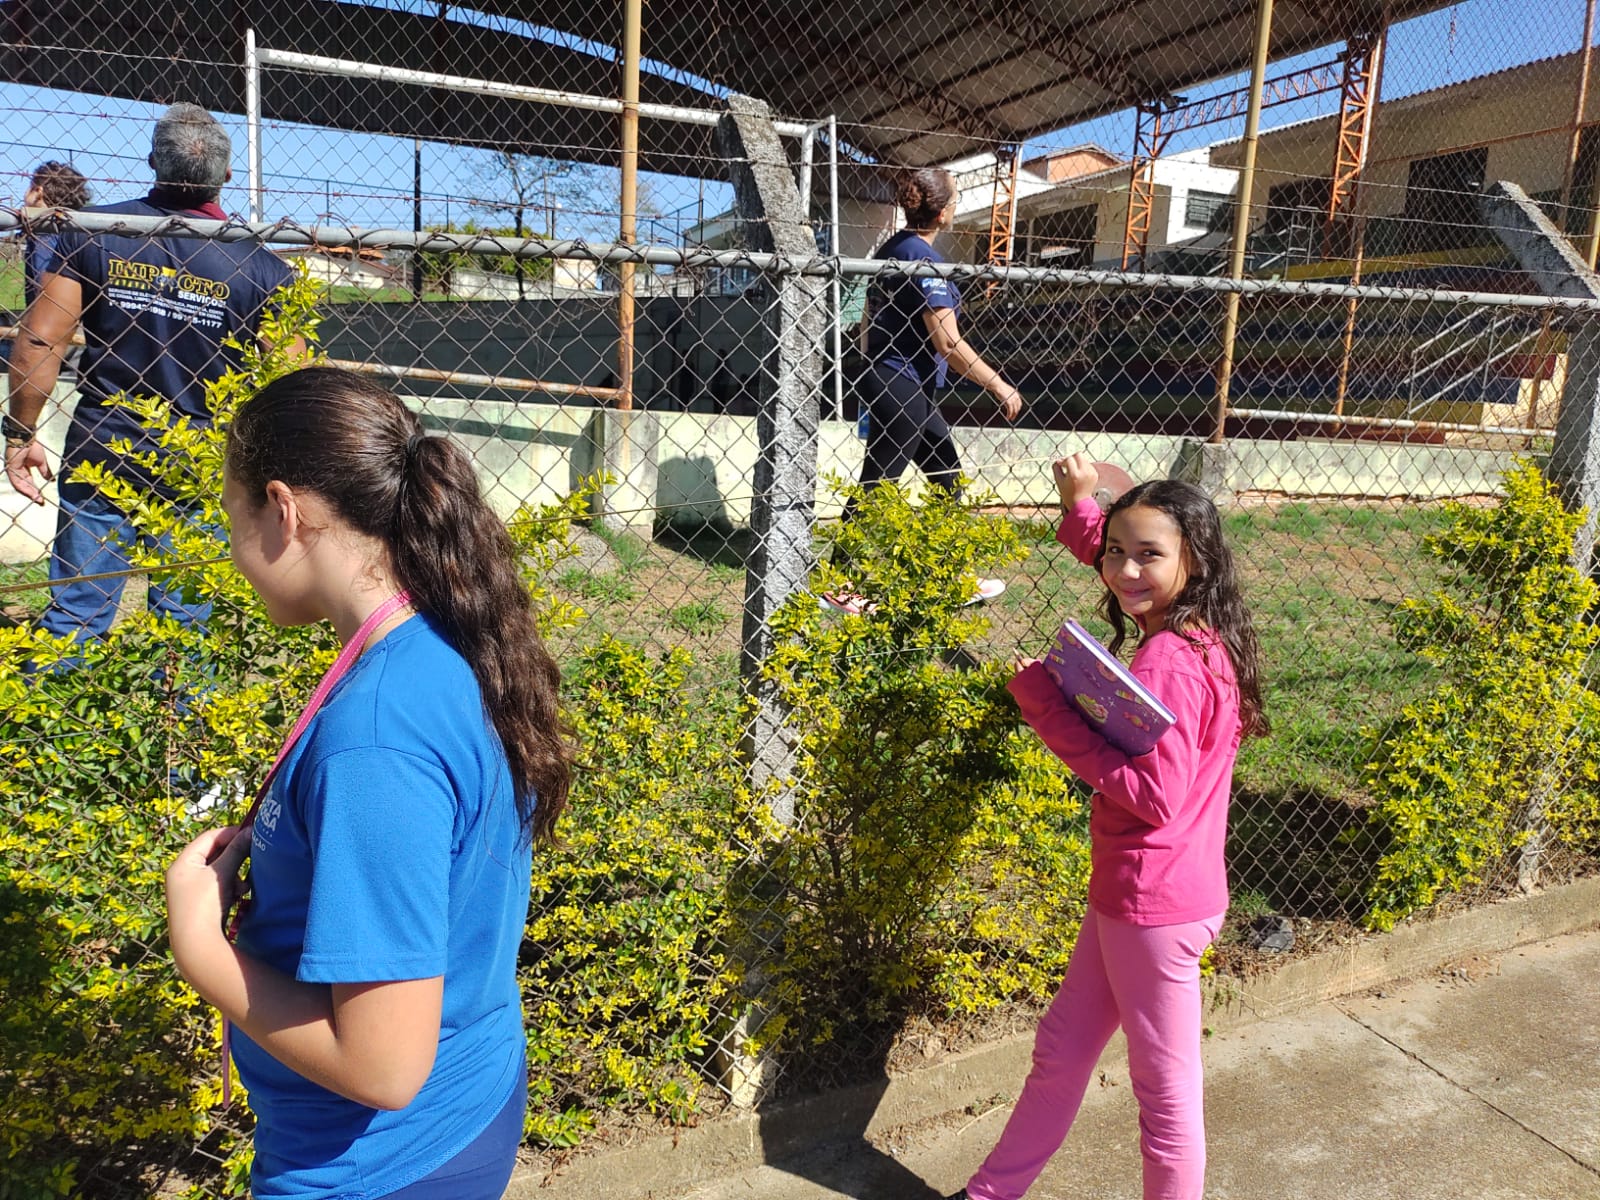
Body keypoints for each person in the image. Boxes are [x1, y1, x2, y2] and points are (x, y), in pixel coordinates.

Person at [164, 365, 574, 1198]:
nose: (231, 547)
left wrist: (202, 948)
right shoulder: (441, 645)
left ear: (283, 510)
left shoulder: (378, 738)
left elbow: (383, 1068)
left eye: (229, 516)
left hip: (375, 1164)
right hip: (462, 1104)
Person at [948, 454, 1267, 1200]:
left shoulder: (1166, 663)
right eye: (1114, 552)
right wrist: (1082, 506)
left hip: (1153, 904)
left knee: (1165, 1098)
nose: (1124, 570)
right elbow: (1128, 549)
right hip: (1142, 892)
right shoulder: (1200, 631)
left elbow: (1151, 794)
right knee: (1062, 1052)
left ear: (1196, 560)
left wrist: (1046, 704)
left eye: (1147, 555)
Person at [4, 103, 298, 642]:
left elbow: (40, 339)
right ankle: (181, 723)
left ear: (152, 163)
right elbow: (291, 377)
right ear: (227, 175)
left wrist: (20, 433)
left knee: (76, 611)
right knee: (186, 623)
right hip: (199, 454)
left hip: (104, 444)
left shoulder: (93, 233)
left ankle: (60, 713)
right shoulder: (263, 267)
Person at [826, 167, 1023, 614]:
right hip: (899, 381)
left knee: (946, 478)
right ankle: (839, 583)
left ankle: (947, 577)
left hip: (890, 376)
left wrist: (870, 364)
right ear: (942, 212)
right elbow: (949, 344)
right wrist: (998, 384)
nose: (956, 206)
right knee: (878, 484)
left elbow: (865, 323)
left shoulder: (893, 248)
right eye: (955, 200)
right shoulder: (924, 261)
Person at [16, 162, 91, 380]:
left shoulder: (45, 236)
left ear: (37, 192)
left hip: (50, 339)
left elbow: (44, 292)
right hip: (78, 336)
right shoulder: (76, 231)